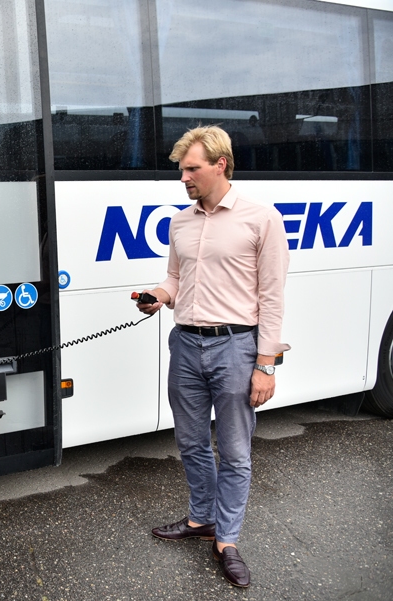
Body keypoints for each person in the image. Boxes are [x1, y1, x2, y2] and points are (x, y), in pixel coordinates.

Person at [136, 125, 290, 588]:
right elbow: (176, 277)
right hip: (185, 344)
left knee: (236, 452)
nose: (183, 177)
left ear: (220, 165)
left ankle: (228, 539)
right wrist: (158, 296)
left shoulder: (261, 219)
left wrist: (266, 365)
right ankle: (201, 519)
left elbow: (273, 296)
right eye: (182, 169)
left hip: (237, 347)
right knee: (191, 443)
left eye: (191, 169)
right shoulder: (180, 221)